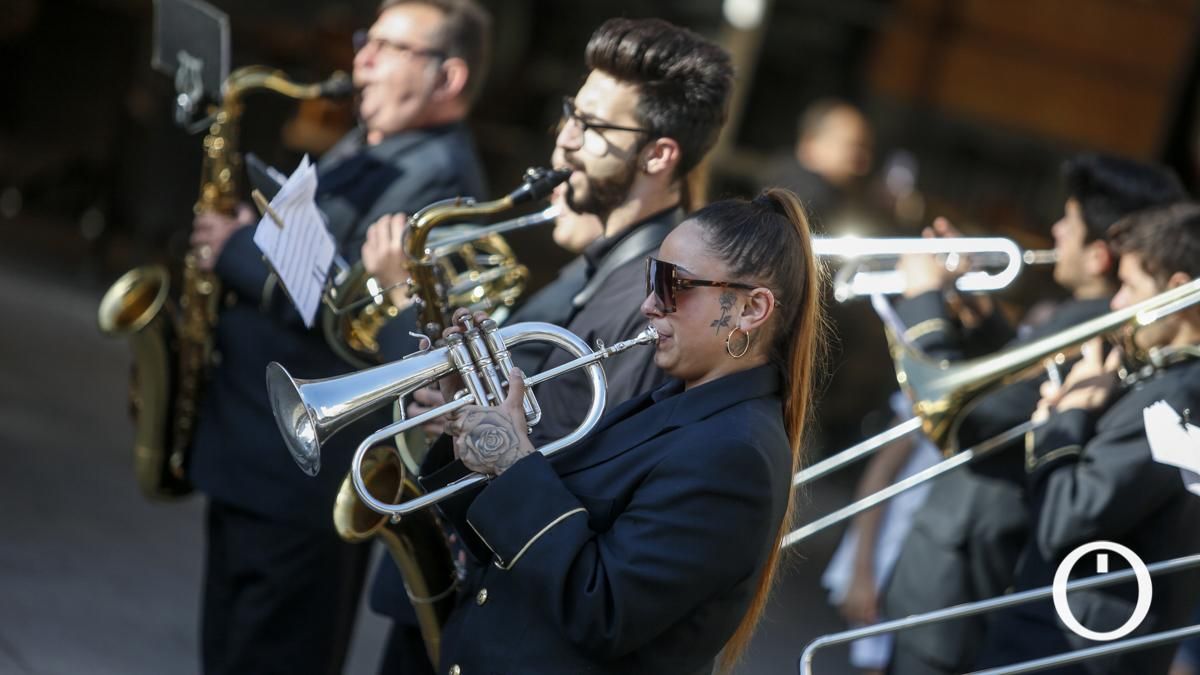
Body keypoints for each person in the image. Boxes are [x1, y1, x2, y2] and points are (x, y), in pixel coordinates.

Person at [363, 17, 736, 667]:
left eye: (591, 127)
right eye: (571, 113)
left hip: (504, 609)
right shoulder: (590, 264)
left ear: (659, 155)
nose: (563, 140)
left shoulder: (654, 303)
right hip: (467, 597)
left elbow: (585, 472)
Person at [185, 1, 491, 673]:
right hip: (256, 457)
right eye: (366, 40)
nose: (363, 59)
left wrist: (238, 249)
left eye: (391, 47)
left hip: (302, 477)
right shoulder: (375, 140)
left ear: (450, 78)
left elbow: (348, 305)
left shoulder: (438, 175)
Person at [413, 187, 825, 674]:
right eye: (652, 278)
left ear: (751, 309)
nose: (650, 304)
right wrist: (469, 420)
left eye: (672, 284)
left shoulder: (736, 454)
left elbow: (603, 610)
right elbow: (516, 544)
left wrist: (514, 461)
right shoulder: (677, 404)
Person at [881, 154, 1186, 675]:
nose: (1055, 231)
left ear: (1100, 255)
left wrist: (922, 301)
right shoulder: (1077, 320)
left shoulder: (1096, 332)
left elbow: (968, 419)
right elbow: (1016, 393)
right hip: (956, 572)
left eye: (1067, 220)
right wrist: (981, 321)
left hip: (965, 587)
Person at [976, 202, 1200, 674]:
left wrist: (1065, 418)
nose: (1116, 304)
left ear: (1179, 293)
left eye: (1132, 287)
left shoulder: (1177, 397)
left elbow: (1066, 521)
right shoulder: (1171, 386)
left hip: (1072, 652)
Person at [764, 98, 873, 227]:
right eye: (852, 146)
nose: (863, 163)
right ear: (810, 144)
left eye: (865, 149)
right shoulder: (798, 204)